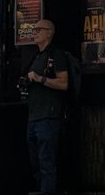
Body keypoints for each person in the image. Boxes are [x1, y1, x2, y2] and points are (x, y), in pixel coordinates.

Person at [24, 19, 68, 195]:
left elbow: (64, 84)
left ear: (49, 32)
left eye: (38, 29)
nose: (35, 32)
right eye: (34, 29)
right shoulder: (37, 56)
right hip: (33, 116)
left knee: (46, 161)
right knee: (35, 161)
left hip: (48, 116)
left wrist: (41, 79)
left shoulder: (56, 55)